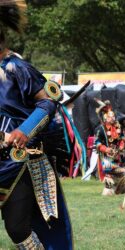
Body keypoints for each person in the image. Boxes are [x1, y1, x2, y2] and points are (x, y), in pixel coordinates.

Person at [0, 1, 73, 248]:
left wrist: (24, 130)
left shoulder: (16, 68)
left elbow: (48, 102)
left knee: (17, 227)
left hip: (16, 162)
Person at [94, 100, 125, 195]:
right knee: (108, 171)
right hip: (106, 155)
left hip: (117, 154)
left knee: (120, 170)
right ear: (105, 118)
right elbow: (97, 143)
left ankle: (120, 188)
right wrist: (106, 149)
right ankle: (108, 190)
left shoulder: (118, 127)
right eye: (110, 117)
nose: (112, 118)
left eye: (113, 116)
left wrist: (121, 147)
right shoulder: (100, 129)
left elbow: (121, 139)